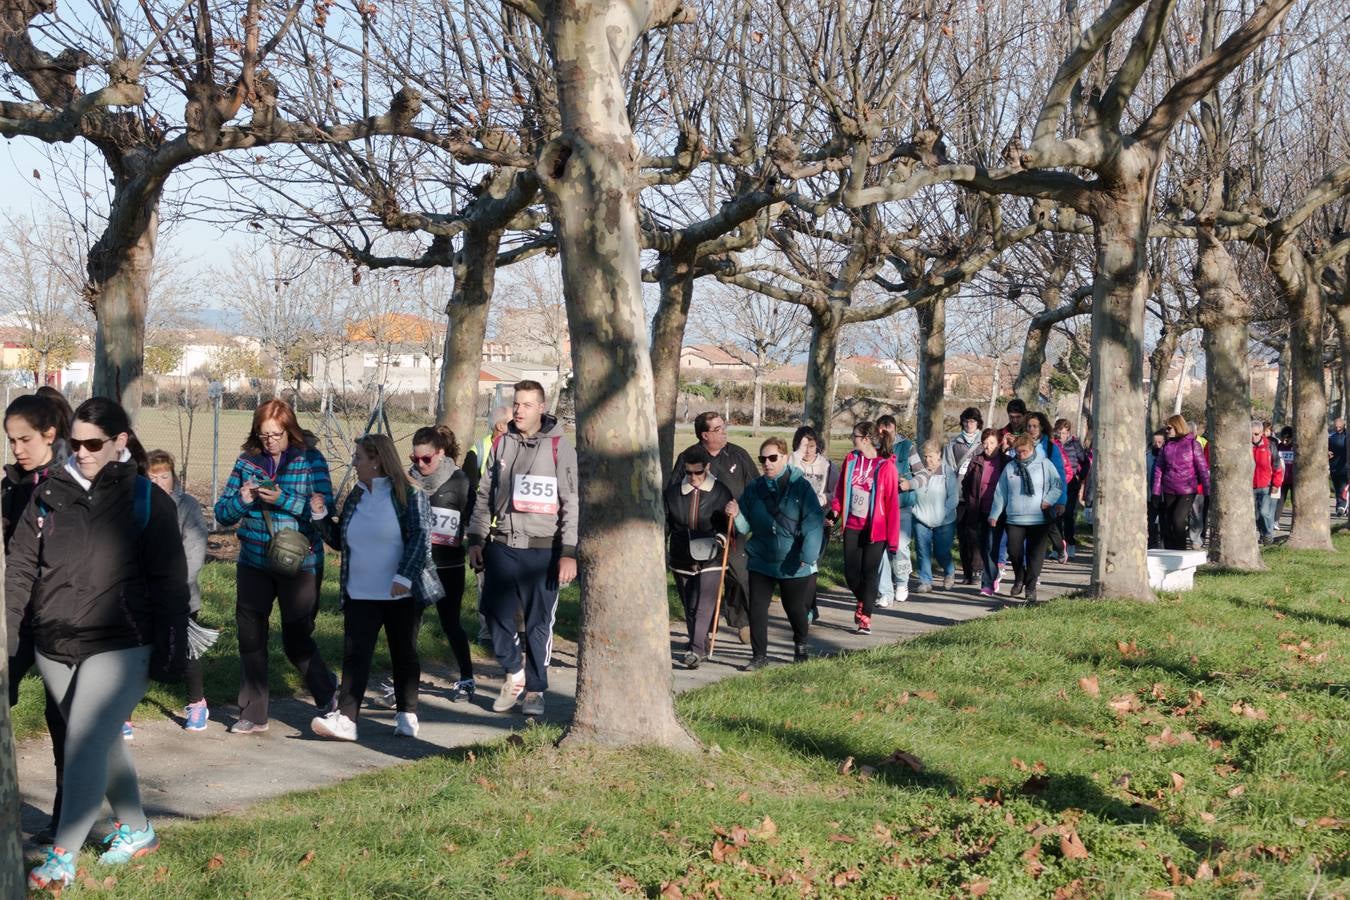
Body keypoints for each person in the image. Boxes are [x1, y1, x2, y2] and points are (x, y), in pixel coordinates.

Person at [7, 397, 188, 889]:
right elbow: (22, 569)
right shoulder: (48, 494)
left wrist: (173, 647)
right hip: (54, 644)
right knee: (101, 743)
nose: (82, 452)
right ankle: (137, 830)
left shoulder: (148, 500)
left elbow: (171, 582)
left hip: (121, 642)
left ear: (120, 442)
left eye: (93, 444)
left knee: (83, 740)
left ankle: (62, 855)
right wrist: (9, 640)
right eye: (76, 443)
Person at [213, 399, 337, 735]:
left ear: (289, 430)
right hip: (254, 560)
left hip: (301, 561)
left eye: (276, 435)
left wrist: (282, 499)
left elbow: (326, 507)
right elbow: (222, 513)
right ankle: (253, 713)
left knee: (297, 637)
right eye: (264, 435)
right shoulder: (247, 463)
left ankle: (328, 694)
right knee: (250, 635)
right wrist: (244, 498)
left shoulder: (310, 461)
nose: (270, 441)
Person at [310, 434, 443, 741]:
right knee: (355, 656)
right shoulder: (357, 494)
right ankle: (347, 720)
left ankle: (407, 713)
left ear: (376, 460)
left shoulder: (409, 494)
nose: (353, 463)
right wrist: (319, 517)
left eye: (358, 457)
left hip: (400, 593)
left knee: (403, 653)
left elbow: (420, 539)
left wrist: (404, 577)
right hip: (360, 592)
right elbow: (341, 541)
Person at [467, 380, 578, 718]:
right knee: (492, 611)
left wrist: (569, 551)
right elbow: (484, 495)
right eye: (516, 404)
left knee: (538, 624)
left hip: (544, 549)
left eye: (527, 405)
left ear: (541, 408)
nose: (519, 410)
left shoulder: (560, 446)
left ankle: (534, 690)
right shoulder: (502, 444)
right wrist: (476, 537)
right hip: (503, 542)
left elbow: (572, 501)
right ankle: (514, 672)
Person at [3, 393, 70, 843]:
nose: (16, 449)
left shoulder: (72, 484)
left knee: (63, 718)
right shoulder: (12, 484)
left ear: (50, 434)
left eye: (24, 439)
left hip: (62, 620)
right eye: (10, 441)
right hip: (16, 614)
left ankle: (68, 818)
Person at [730, 437, 823, 669]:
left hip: (793, 561)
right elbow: (745, 527)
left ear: (784, 457)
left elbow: (813, 522)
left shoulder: (801, 487)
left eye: (773, 458)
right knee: (757, 609)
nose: (767, 463)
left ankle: (800, 645)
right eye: (763, 459)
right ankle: (759, 656)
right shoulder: (754, 488)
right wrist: (735, 515)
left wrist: (807, 556)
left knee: (794, 609)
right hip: (760, 560)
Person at [669, 412, 756, 641]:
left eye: (723, 426)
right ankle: (705, 627)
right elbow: (673, 493)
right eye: (718, 428)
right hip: (699, 534)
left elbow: (756, 488)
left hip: (733, 529)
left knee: (739, 576)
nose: (724, 430)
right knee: (703, 583)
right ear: (705, 434)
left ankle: (740, 619)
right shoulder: (688, 457)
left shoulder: (738, 455)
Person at [407, 425, 476, 700]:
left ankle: (467, 678)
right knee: (409, 625)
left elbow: (472, 517)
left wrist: (476, 542)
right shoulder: (407, 480)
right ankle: (405, 682)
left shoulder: (459, 481)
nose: (420, 464)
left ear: (440, 453)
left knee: (450, 623)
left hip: (449, 566)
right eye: (415, 459)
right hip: (416, 564)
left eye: (427, 459)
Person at [146, 451, 210, 732]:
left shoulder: (187, 507)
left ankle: (197, 704)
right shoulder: (137, 506)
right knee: (138, 652)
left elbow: (195, 550)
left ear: (174, 478)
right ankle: (123, 713)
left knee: (186, 651)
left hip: (181, 595)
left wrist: (175, 586)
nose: (159, 482)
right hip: (145, 595)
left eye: (164, 476)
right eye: (152, 477)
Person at [664, 445, 735, 668]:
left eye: (698, 472)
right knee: (690, 605)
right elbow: (665, 524)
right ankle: (700, 643)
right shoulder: (673, 493)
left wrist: (723, 537)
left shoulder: (721, 491)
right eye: (688, 473)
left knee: (705, 603)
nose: (693, 477)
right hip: (681, 555)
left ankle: (694, 650)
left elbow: (730, 527)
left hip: (712, 554)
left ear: (708, 468)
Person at [829, 421, 900, 635]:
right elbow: (841, 490)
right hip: (852, 525)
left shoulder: (885, 465)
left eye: (855, 436)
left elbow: (892, 504)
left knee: (870, 574)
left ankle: (866, 617)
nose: (853, 439)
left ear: (866, 439)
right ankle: (863, 599)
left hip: (875, 529)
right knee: (851, 574)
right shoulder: (852, 460)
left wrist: (893, 540)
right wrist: (835, 511)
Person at [989, 433, 1063, 604]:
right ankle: (1019, 577)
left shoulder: (1044, 464)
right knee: (1015, 552)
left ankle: (1030, 587)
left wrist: (1048, 500)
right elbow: (1001, 492)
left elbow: (1057, 484)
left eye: (1025, 452)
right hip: (1014, 518)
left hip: (1038, 518)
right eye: (1018, 452)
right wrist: (995, 513)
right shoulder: (1010, 467)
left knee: (1035, 556)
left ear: (1032, 449)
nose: (1021, 455)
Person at [790, 425, 835, 621]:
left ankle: (807, 608)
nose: (808, 450)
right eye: (803, 446)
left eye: (812, 445)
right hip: (794, 522)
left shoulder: (827, 466)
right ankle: (810, 606)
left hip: (818, 522)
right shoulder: (792, 464)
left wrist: (822, 499)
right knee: (799, 566)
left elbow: (836, 493)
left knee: (811, 564)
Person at [875, 415, 918, 606]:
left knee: (900, 546)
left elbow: (923, 473)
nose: (885, 433)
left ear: (895, 428)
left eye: (888, 429)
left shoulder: (907, 446)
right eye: (881, 430)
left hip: (902, 505)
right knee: (880, 549)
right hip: (880, 508)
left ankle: (902, 582)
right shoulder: (875, 450)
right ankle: (885, 591)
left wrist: (910, 483)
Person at [1150, 414, 1210, 551]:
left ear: (1177, 427)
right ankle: (1170, 550)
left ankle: (1180, 551)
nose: (1166, 430)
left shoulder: (1193, 445)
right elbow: (1159, 469)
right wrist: (1156, 492)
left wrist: (1207, 493)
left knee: (1178, 520)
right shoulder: (1166, 446)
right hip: (1169, 489)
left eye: (1169, 427)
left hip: (1187, 490)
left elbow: (1202, 468)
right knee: (1168, 521)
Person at [961, 428, 1007, 597]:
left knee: (991, 546)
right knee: (981, 546)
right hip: (978, 510)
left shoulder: (1006, 462)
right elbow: (966, 483)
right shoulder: (976, 460)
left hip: (998, 511)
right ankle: (992, 575)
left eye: (992, 443)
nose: (988, 447)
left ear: (999, 443)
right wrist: (970, 499)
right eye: (985, 443)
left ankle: (987, 582)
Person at [910, 439, 959, 592]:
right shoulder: (918, 473)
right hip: (921, 518)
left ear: (938, 455)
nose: (927, 460)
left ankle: (949, 571)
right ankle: (925, 581)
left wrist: (943, 513)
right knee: (922, 550)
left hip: (944, 520)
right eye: (924, 456)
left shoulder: (946, 472)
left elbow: (953, 497)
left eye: (930, 456)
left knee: (941, 551)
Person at [1026, 412, 1071, 563]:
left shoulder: (1051, 448)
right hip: (1026, 496)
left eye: (1035, 426)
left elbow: (1060, 475)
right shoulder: (1021, 444)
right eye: (1029, 426)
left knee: (1049, 527)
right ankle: (1033, 566)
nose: (1032, 429)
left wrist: (1061, 501)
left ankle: (1059, 547)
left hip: (1047, 497)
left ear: (1042, 427)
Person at [1054, 419, 1090, 560]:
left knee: (1068, 514)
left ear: (1068, 432)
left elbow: (1085, 462)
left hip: (1071, 483)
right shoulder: (1054, 444)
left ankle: (1070, 544)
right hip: (1056, 484)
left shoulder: (1074, 444)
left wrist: (1080, 476)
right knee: (1057, 515)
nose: (1062, 435)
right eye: (1059, 432)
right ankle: (1058, 547)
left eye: (1064, 433)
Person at [1251, 420, 1283, 544]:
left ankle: (1268, 534)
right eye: (1251, 434)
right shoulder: (1245, 446)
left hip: (1266, 485)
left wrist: (1276, 484)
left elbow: (1277, 466)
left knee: (1265, 512)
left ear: (1261, 433)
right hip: (1250, 486)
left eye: (1256, 434)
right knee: (1256, 514)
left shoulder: (1270, 446)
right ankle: (1262, 534)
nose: (1253, 437)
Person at [1146, 429, 1167, 549]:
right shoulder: (1147, 457)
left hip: (1165, 496)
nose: (1157, 445)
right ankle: (1151, 545)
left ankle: (1165, 546)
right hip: (1149, 496)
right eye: (1155, 442)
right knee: (1150, 523)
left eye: (1160, 442)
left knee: (1164, 523)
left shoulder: (1168, 458)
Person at [1273, 427, 1295, 530]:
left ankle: (1295, 522)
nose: (1285, 441)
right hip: (1282, 480)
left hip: (1294, 480)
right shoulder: (1279, 447)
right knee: (1280, 501)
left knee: (1295, 501)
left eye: (1288, 439)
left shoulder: (1295, 447)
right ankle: (1275, 521)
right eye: (1283, 439)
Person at [1330, 417, 1348, 516]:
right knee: (1337, 489)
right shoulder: (1331, 437)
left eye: (1339, 427)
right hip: (1334, 467)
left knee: (1343, 488)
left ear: (1343, 425)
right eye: (1336, 427)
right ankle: (1340, 508)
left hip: (1345, 468)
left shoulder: (1347, 437)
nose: (1337, 428)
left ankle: (1342, 506)